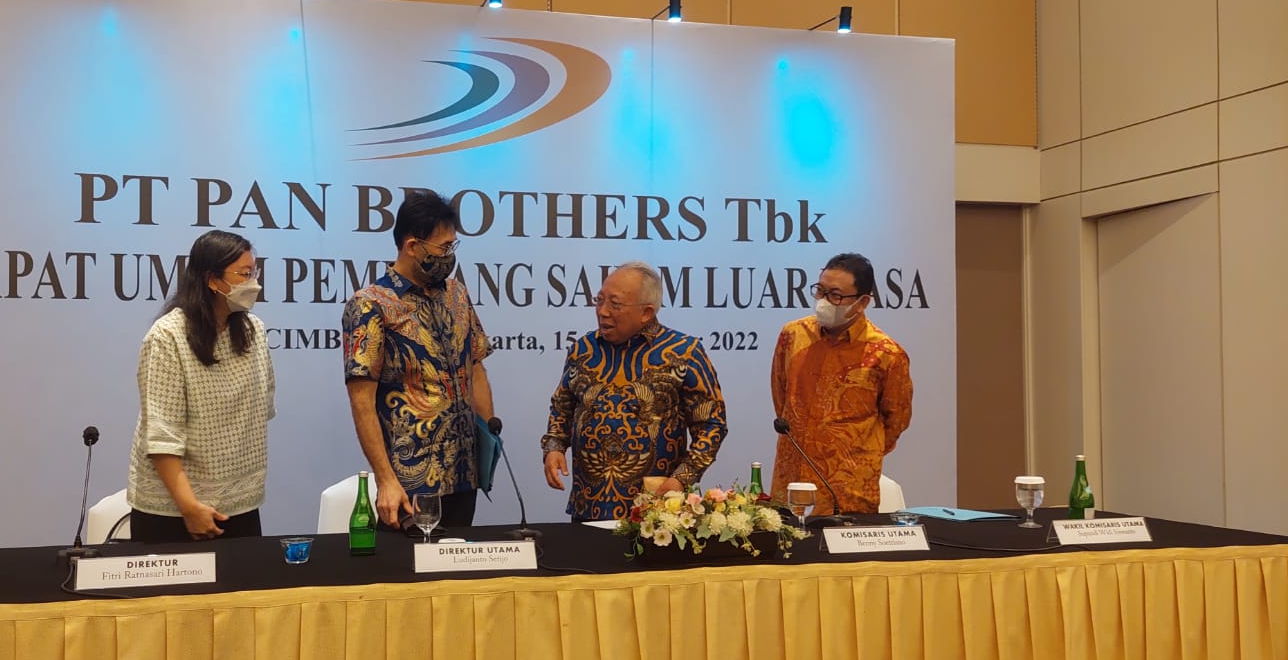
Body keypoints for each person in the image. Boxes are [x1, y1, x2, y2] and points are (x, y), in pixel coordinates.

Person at [343, 189, 496, 530]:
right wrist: (385, 479)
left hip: (464, 475)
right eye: (443, 247)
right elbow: (361, 400)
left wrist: (490, 439)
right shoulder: (370, 304)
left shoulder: (457, 295)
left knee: (460, 561)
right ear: (412, 246)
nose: (449, 256)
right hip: (411, 482)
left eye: (453, 246)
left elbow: (476, 366)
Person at [541, 261, 728, 521]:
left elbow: (711, 425)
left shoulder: (684, 352)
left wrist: (682, 478)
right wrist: (554, 447)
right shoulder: (582, 350)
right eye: (599, 300)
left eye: (615, 304)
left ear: (646, 312)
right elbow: (562, 408)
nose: (603, 311)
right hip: (588, 507)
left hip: (656, 512)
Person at [126, 231, 276, 541]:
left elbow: (261, 409)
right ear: (212, 280)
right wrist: (189, 506)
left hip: (240, 505)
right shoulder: (168, 336)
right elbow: (162, 435)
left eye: (255, 272)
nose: (253, 283)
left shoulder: (254, 331)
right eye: (244, 274)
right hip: (176, 511)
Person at [770, 251, 913, 515]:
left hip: (848, 490)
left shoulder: (887, 354)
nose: (824, 301)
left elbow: (896, 421)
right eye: (820, 291)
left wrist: (852, 451)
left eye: (835, 295)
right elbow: (782, 397)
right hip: (792, 481)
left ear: (862, 302)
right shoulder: (793, 335)